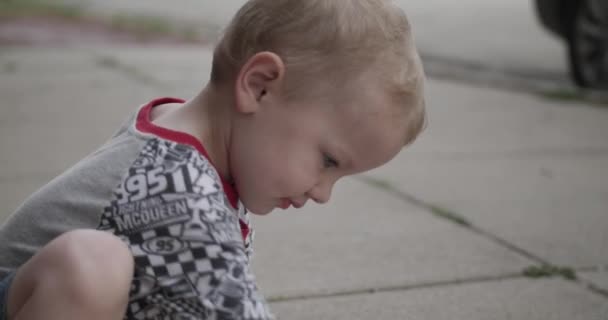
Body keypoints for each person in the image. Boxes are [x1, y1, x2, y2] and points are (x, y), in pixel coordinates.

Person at [0, 0, 426, 319]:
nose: (323, 193)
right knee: (93, 266)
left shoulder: (185, 135)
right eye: (329, 160)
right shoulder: (174, 183)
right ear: (259, 87)